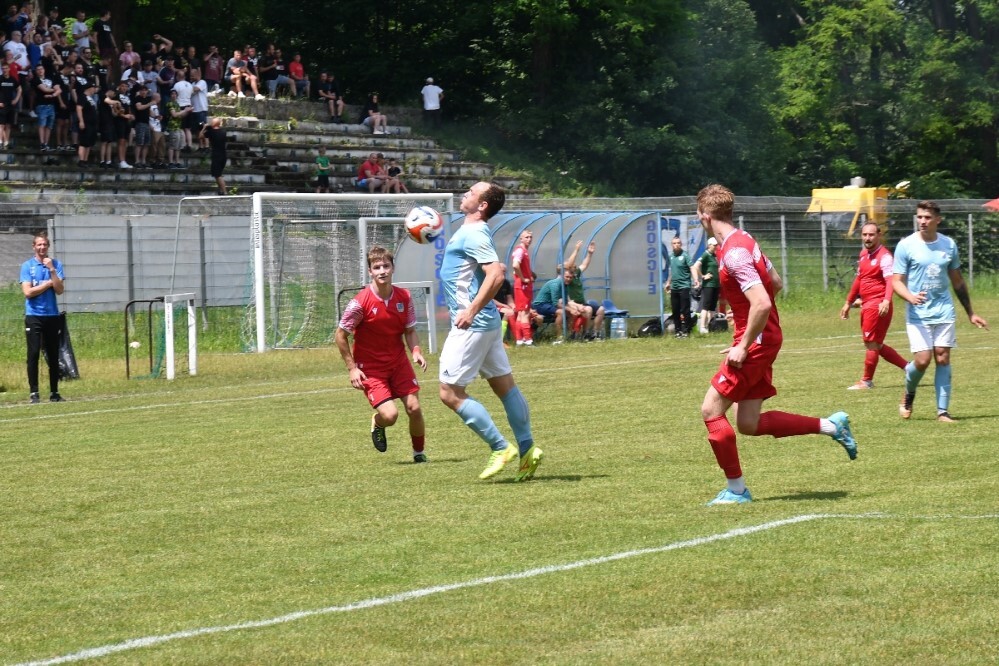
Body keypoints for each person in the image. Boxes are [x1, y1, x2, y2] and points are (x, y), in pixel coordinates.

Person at [695, 183, 857, 506]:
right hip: (763, 338)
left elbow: (762, 303)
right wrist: (747, 326)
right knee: (749, 423)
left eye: (698, 213)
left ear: (706, 216)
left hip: (756, 342)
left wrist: (745, 341)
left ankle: (737, 490)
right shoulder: (747, 242)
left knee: (711, 409)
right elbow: (776, 284)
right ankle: (832, 426)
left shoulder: (734, 252)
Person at [438, 182, 543, 481]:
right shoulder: (473, 231)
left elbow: (496, 273)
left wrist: (470, 311)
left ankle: (500, 447)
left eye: (471, 193)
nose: (464, 194)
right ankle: (528, 449)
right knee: (504, 386)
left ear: (483, 205)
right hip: (486, 324)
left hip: (473, 325)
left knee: (448, 392)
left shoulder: (473, 232)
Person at [892, 200, 989, 422]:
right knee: (923, 361)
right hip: (918, 313)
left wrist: (971, 313)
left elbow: (957, 281)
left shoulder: (949, 245)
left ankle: (942, 411)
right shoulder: (906, 245)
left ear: (937, 220)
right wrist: (910, 296)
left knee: (943, 358)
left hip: (944, 310)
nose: (922, 221)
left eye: (927, 217)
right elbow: (896, 281)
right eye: (919, 217)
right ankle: (909, 390)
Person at [335, 246, 428, 463]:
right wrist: (352, 368)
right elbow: (340, 336)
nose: (382, 271)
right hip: (371, 369)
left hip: (398, 363)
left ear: (393, 267)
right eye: (377, 267)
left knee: (414, 408)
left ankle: (419, 453)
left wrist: (416, 350)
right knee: (390, 416)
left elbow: (410, 330)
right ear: (370, 272)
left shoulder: (404, 297)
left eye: (386, 266)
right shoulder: (359, 303)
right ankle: (377, 423)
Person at [838, 222, 908, 389]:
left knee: (871, 343)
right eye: (864, 235)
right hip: (867, 303)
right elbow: (859, 280)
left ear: (879, 235)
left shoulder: (884, 257)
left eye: (871, 235)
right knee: (876, 344)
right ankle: (909, 367)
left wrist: (886, 300)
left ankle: (866, 381)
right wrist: (848, 302)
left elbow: (890, 280)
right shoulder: (863, 255)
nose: (867, 238)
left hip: (877, 305)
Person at [20, 231, 65, 404]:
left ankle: (54, 392)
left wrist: (52, 270)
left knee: (53, 355)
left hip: (52, 316)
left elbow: (60, 289)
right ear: (34, 247)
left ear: (48, 246)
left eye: (44, 245)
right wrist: (48, 284)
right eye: (39, 245)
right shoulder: (27, 266)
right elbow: (28, 292)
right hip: (34, 316)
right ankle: (34, 393)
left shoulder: (56, 265)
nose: (42, 247)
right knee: (33, 354)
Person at [563, 240, 605, 340]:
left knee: (601, 310)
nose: (574, 266)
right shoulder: (567, 277)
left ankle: (595, 333)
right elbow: (569, 264)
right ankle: (585, 334)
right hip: (573, 304)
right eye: (572, 266)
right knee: (589, 310)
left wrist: (590, 254)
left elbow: (585, 264)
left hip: (582, 303)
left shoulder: (576, 273)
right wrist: (576, 250)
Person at [664, 236, 693, 338]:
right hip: (674, 287)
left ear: (681, 244)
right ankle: (678, 331)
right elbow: (673, 271)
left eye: (678, 243)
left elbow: (692, 267)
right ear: (672, 245)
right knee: (675, 310)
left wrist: (696, 279)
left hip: (684, 286)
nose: (676, 245)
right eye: (674, 243)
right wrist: (668, 282)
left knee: (685, 309)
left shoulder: (685, 255)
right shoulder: (671, 256)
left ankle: (687, 331)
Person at [509, 230, 534, 345]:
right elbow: (515, 265)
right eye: (527, 237)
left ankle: (519, 339)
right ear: (521, 239)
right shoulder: (520, 250)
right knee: (525, 313)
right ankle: (528, 340)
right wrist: (523, 278)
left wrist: (529, 274)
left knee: (520, 313)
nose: (529, 239)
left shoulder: (523, 251)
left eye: (530, 237)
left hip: (521, 285)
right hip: (522, 286)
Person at [692, 236, 720, 334]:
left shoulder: (714, 256)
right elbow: (696, 266)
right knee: (706, 306)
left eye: (716, 245)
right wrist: (703, 276)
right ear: (709, 245)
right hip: (708, 285)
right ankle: (702, 326)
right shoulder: (706, 255)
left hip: (716, 285)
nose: (716, 247)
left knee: (712, 307)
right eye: (714, 245)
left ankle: (710, 326)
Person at [199, 116, 227, 195]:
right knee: (217, 174)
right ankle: (221, 191)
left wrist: (204, 128)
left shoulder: (211, 132)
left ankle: (225, 192)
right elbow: (218, 129)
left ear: (213, 124)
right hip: (223, 155)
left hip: (216, 156)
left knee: (218, 175)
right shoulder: (223, 132)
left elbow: (200, 136)